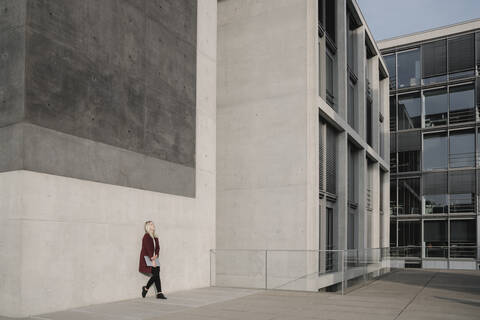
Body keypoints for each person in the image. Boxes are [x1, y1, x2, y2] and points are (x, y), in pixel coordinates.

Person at [139, 221, 167, 299]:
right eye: (151, 224)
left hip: (154, 257)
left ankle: (152, 290)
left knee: (156, 274)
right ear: (148, 227)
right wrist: (152, 259)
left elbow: (157, 247)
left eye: (153, 224)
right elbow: (148, 249)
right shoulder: (146, 236)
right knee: (156, 274)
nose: (153, 225)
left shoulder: (155, 236)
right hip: (148, 258)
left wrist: (156, 255)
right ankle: (158, 293)